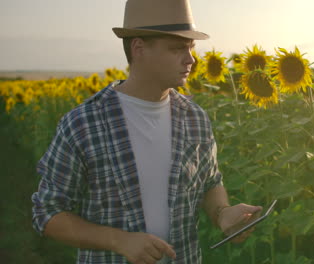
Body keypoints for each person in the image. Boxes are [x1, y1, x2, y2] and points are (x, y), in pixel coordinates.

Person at [31, 0, 262, 263]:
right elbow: (48, 213)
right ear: (139, 48)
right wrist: (119, 240)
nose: (191, 59)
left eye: (191, 48)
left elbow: (210, 182)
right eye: (177, 48)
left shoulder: (194, 117)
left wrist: (223, 213)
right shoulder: (83, 124)